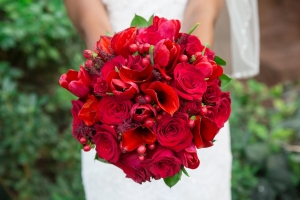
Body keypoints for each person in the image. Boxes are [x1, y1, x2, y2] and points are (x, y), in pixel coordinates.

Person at [64, 0, 259, 199]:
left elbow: (203, 10)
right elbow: (88, 18)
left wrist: (188, 80)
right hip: (112, 114)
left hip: (192, 114)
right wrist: (115, 76)